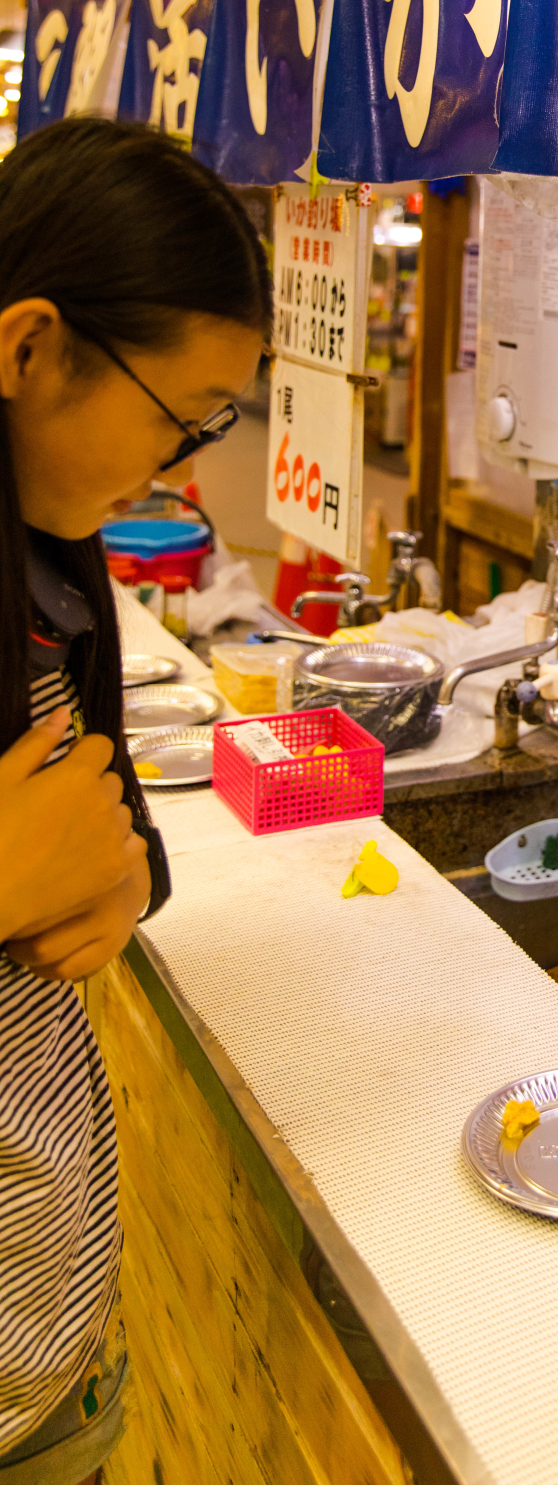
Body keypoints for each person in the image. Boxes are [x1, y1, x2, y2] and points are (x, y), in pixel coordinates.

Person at [0, 118, 270, 1481]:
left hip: (44, 1331)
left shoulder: (54, 556)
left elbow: (111, 844)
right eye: (181, 416)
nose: (180, 466)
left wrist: (118, 878)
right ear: (28, 347)